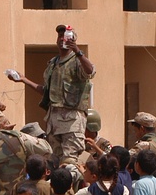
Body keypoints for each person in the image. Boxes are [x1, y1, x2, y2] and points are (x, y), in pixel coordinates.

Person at [10, 24, 96, 163]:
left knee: (69, 162)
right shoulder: (53, 64)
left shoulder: (77, 60)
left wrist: (77, 51)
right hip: (53, 122)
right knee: (54, 161)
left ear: (73, 40)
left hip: (71, 122)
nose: (62, 39)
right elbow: (46, 92)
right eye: (60, 36)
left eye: (67, 36)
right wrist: (24, 80)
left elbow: (90, 71)